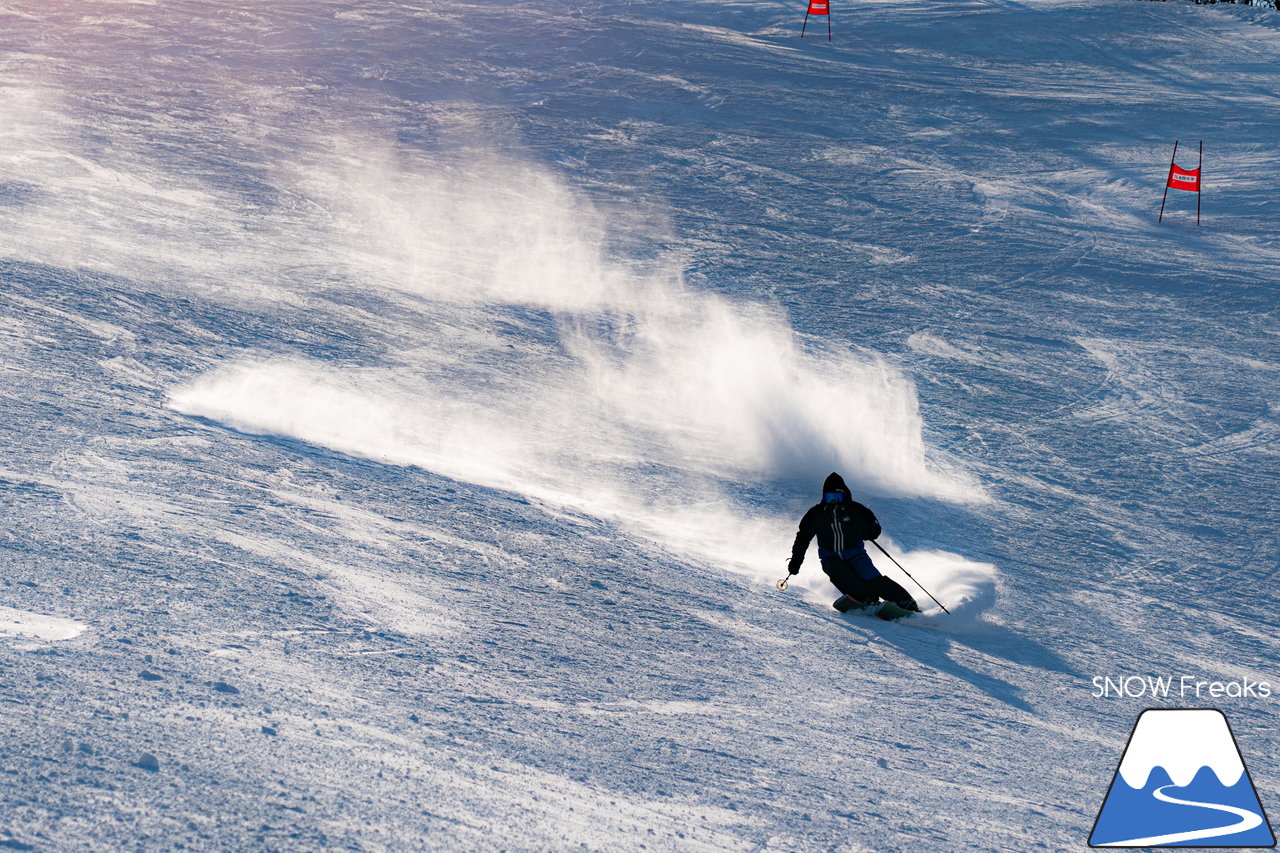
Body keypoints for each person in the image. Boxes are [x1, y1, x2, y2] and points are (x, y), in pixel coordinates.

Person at [787, 472, 920, 612]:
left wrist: (869, 531)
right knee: (842, 576)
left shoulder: (856, 510)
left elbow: (874, 526)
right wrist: (796, 560)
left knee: (872, 578)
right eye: (829, 497)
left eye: (837, 497)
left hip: (855, 554)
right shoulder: (816, 514)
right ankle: (868, 600)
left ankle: (906, 604)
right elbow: (803, 538)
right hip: (830, 557)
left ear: (844, 495)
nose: (833, 501)